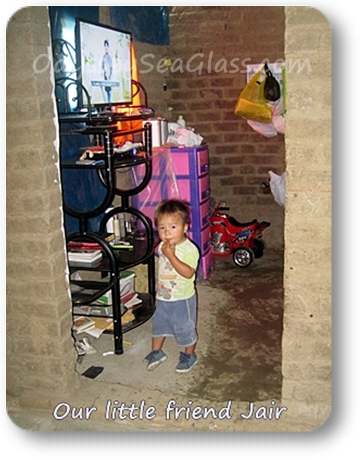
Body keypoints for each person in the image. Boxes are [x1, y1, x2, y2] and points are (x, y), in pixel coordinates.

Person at [144, 199, 200, 373]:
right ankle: (156, 352)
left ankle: (189, 355)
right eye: (162, 228)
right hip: (163, 296)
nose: (167, 232)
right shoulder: (162, 246)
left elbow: (188, 273)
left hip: (182, 299)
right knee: (158, 325)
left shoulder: (189, 249)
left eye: (173, 227)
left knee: (185, 328)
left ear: (185, 227)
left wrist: (171, 255)